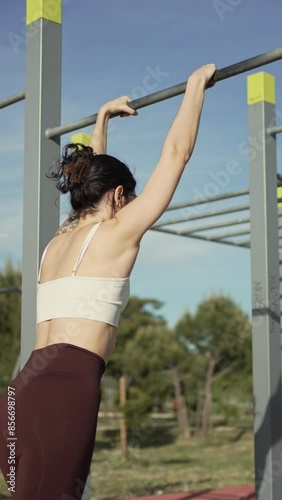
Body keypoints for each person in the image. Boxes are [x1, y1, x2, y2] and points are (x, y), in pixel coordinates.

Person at [0, 63, 217, 499]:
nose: (134, 206)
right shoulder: (118, 231)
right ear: (120, 196)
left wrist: (101, 119)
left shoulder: (59, 239)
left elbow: (88, 180)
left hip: (18, 395)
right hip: (65, 393)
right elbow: (176, 155)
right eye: (129, 197)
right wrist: (195, 87)